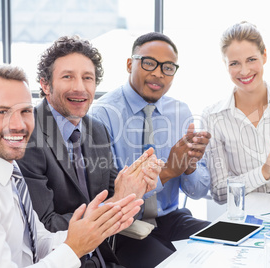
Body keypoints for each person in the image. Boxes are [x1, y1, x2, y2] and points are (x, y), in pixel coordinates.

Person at [0, 64, 144, 267]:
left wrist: (89, 228)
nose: (18, 125)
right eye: (2, 112)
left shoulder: (6, 168)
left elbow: (38, 240)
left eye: (26, 111)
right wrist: (74, 249)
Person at [17, 36, 164, 267]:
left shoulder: (97, 130)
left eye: (88, 78)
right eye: (68, 77)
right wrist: (116, 203)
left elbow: (127, 208)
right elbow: (45, 226)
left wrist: (136, 189)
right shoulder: (27, 136)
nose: (80, 87)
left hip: (103, 255)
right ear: (45, 84)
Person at [89, 32, 211, 268]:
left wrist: (189, 167)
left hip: (172, 219)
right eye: (148, 63)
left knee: (222, 245)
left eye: (167, 67)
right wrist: (167, 172)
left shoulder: (181, 112)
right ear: (129, 64)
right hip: (124, 228)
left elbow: (197, 191)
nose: (158, 73)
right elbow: (109, 196)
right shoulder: (102, 115)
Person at [201, 22, 270, 204]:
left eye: (251, 59)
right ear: (225, 64)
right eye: (234, 63)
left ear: (264, 55)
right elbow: (220, 193)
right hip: (242, 213)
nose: (244, 71)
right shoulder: (213, 117)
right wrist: (263, 172)